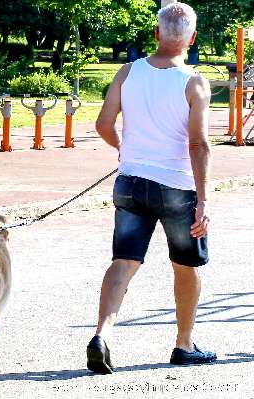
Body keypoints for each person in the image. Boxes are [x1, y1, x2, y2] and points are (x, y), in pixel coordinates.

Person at [86, 2, 216, 374]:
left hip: (130, 181)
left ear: (157, 33)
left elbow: (103, 123)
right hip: (176, 186)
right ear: (191, 38)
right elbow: (199, 144)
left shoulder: (128, 72)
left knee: (124, 260)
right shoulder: (193, 82)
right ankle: (184, 343)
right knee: (186, 264)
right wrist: (204, 200)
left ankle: (102, 334)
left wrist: (125, 151)